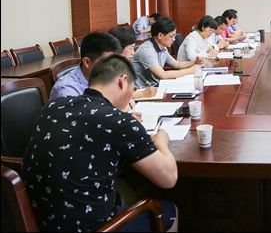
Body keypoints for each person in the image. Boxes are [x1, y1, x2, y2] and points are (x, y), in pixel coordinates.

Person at [23, 55, 178, 232]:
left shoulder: (52, 107)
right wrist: (161, 142)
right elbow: (168, 179)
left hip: (42, 220)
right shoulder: (120, 121)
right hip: (92, 227)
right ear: (123, 81)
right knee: (169, 210)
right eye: (133, 88)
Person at [131, 17, 205, 87]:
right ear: (160, 35)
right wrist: (189, 70)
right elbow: (163, 75)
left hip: (155, 85)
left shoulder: (162, 48)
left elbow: (177, 64)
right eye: (171, 36)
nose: (174, 39)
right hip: (143, 89)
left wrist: (195, 62)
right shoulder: (147, 50)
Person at [49, 31, 121, 100]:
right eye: (107, 62)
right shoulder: (67, 90)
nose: (113, 67)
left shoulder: (105, 78)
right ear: (87, 62)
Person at [109, 26, 158, 102]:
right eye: (130, 48)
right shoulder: (107, 68)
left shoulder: (122, 64)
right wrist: (140, 94)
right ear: (118, 48)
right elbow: (111, 97)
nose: (133, 53)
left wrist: (134, 90)